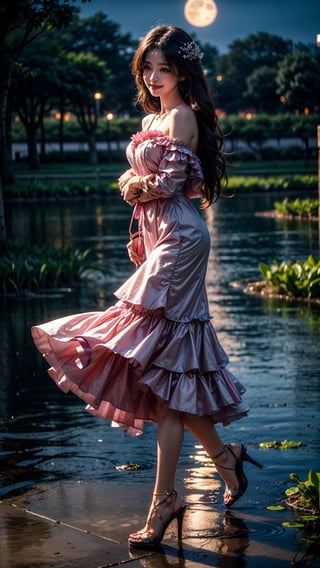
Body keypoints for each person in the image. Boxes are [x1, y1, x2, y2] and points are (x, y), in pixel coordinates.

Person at [31, 25, 262, 550]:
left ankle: (164, 503)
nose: (154, 78)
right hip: (160, 238)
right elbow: (144, 197)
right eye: (147, 70)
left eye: (163, 69)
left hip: (182, 240)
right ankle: (226, 461)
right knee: (171, 372)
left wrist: (133, 187)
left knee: (163, 368)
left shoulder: (181, 116)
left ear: (182, 72)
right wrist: (138, 232)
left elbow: (166, 186)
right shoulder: (150, 118)